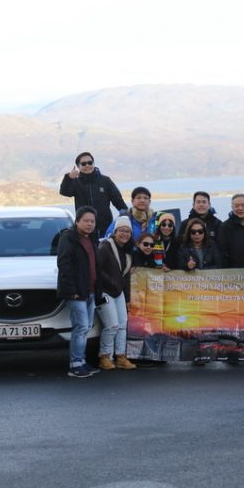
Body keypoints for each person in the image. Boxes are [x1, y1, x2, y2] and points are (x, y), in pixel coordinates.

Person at [57, 206, 100, 379]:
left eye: (92, 221)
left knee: (86, 327)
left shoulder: (91, 238)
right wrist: (71, 290)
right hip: (76, 292)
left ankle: (81, 361)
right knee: (81, 327)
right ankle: (75, 364)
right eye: (86, 221)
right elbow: (64, 264)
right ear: (77, 221)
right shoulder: (68, 238)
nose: (89, 224)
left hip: (90, 290)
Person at [96, 216, 136, 371]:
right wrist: (111, 282)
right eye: (121, 230)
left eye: (127, 231)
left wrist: (127, 297)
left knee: (122, 325)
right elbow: (97, 269)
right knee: (112, 325)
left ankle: (120, 356)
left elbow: (125, 277)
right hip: (105, 291)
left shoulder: (127, 251)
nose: (124, 234)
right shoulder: (105, 246)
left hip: (118, 292)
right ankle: (105, 356)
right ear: (115, 231)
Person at [59, 152, 127, 239]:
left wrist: (127, 216)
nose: (87, 165)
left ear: (93, 164)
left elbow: (118, 200)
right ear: (78, 166)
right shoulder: (76, 182)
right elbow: (65, 192)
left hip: (105, 228)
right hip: (84, 229)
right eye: (83, 164)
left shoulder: (105, 181)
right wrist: (68, 178)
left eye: (90, 163)